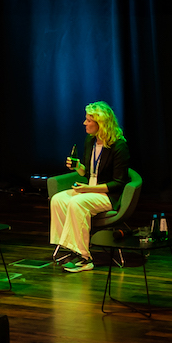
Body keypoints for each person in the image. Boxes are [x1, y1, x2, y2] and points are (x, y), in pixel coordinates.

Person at [50, 101, 130, 273]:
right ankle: (70, 247)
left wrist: (88, 189)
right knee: (58, 199)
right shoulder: (90, 141)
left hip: (107, 195)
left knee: (77, 203)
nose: (84, 123)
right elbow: (87, 173)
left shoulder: (119, 146)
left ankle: (85, 258)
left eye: (88, 120)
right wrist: (77, 166)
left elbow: (118, 183)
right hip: (90, 190)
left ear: (100, 123)